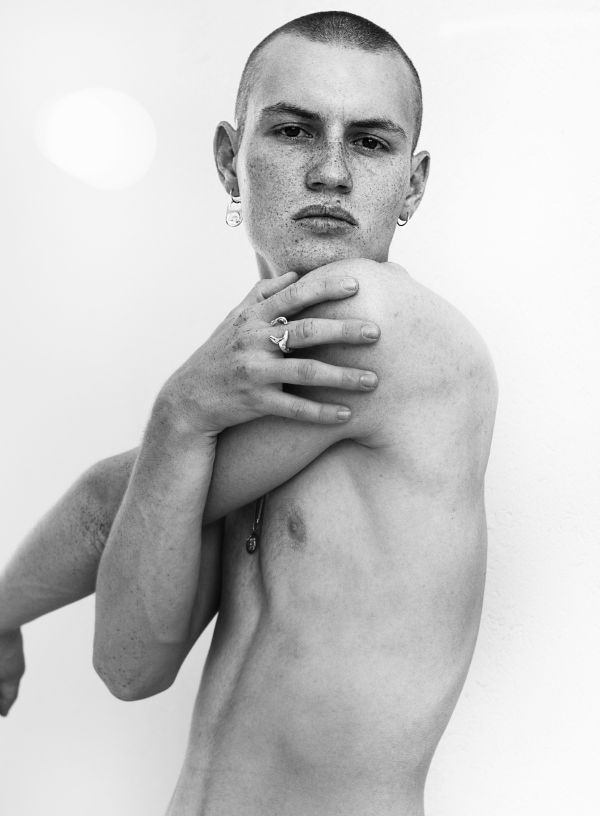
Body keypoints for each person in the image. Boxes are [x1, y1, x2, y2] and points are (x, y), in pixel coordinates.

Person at [0, 11, 498, 816]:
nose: (331, 171)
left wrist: (177, 413)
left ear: (413, 184)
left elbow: (104, 505)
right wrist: (181, 422)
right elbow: (131, 665)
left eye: (370, 142)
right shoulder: (247, 356)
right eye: (295, 131)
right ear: (229, 160)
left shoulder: (377, 322)